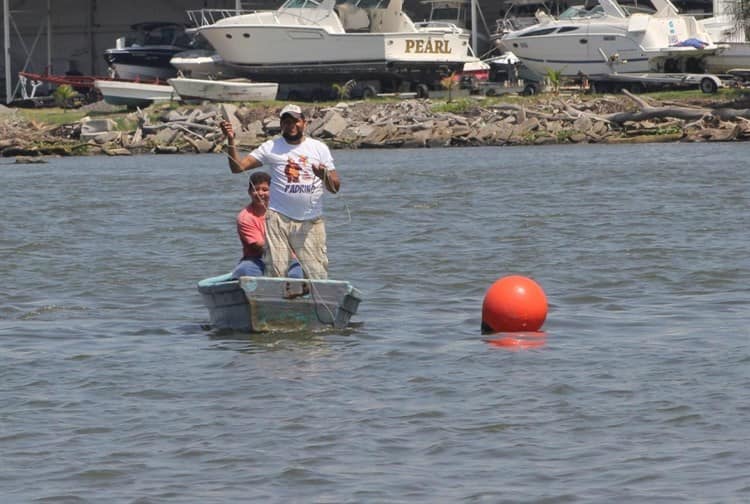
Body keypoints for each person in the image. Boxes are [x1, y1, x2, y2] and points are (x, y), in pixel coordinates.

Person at [220, 104, 341, 280]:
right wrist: (230, 140)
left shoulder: (319, 148)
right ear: (281, 124)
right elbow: (238, 167)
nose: (291, 125)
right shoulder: (271, 147)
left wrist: (323, 176)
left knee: (316, 274)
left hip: (310, 220)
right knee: (277, 273)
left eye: (295, 121)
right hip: (279, 219)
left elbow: (335, 188)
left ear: (304, 123)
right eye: (286, 121)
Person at [231, 171, 302, 279]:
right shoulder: (245, 217)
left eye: (265, 189)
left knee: (297, 275)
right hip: (257, 259)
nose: (260, 193)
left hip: (288, 258)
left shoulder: (284, 211)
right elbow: (260, 246)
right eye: (256, 189)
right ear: (249, 192)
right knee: (245, 271)